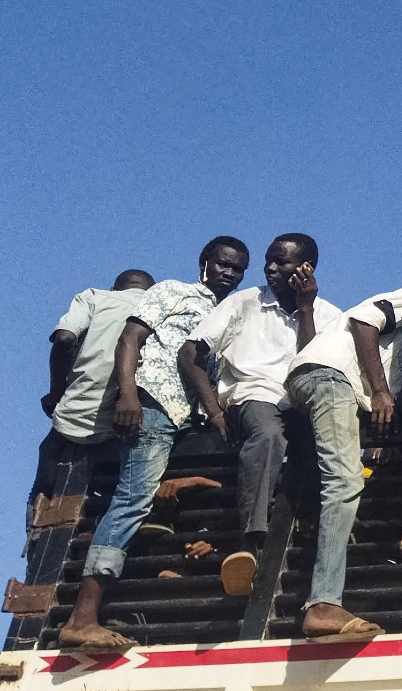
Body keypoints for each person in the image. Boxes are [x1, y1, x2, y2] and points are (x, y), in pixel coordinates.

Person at [61, 238, 249, 653]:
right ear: (204, 263)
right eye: (222, 265)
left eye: (237, 270)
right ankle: (82, 617)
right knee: (132, 499)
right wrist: (128, 394)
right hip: (155, 405)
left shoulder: (229, 314)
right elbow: (130, 338)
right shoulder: (172, 291)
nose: (229, 274)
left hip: (189, 420)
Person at [178, 233, 340, 596]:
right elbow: (190, 353)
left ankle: (323, 533)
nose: (269, 268)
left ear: (306, 267)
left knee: (331, 443)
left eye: (280, 262)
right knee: (268, 435)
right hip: (254, 395)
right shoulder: (244, 303)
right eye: (269, 260)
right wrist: (214, 409)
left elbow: (312, 366)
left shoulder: (329, 314)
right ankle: (251, 542)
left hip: (301, 403)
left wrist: (306, 308)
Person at [284, 290, 402, 641]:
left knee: (337, 477)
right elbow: (364, 320)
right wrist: (379, 390)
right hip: (331, 377)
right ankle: (323, 604)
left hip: (324, 380)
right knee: (345, 482)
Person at [32, 269, 154, 526]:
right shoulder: (158, 305)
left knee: (46, 477)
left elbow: (64, 339)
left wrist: (57, 393)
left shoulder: (94, 297)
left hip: (73, 414)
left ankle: (37, 531)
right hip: (128, 420)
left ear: (114, 288)